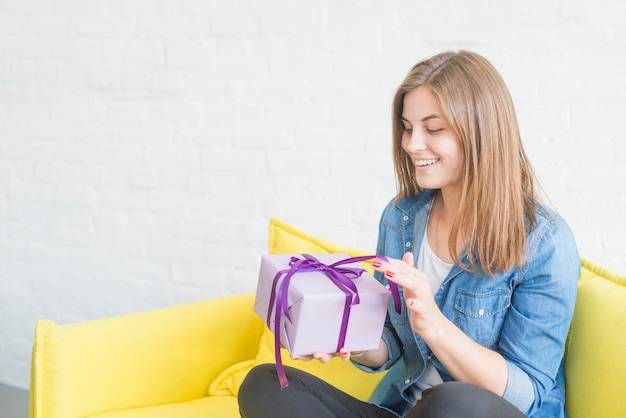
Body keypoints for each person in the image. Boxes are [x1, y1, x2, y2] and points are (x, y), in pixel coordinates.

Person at [237, 50, 579, 418]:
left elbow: (525, 395)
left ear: (481, 133)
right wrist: (349, 338)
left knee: (453, 401)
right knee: (265, 384)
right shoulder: (402, 216)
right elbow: (390, 343)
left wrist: (433, 324)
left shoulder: (545, 242)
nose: (413, 144)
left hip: (473, 413)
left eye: (433, 129)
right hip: (404, 411)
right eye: (407, 127)